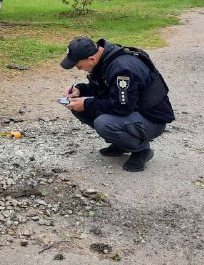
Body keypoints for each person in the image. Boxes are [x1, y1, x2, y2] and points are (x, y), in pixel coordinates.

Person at [59, 37, 175, 172]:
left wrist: (87, 104)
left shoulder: (122, 69)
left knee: (103, 123)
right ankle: (121, 143)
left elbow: (122, 107)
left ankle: (141, 150)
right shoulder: (106, 59)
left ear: (91, 59)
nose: (78, 69)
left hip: (152, 120)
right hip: (134, 111)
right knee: (77, 104)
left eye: (79, 66)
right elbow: (105, 89)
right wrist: (80, 90)